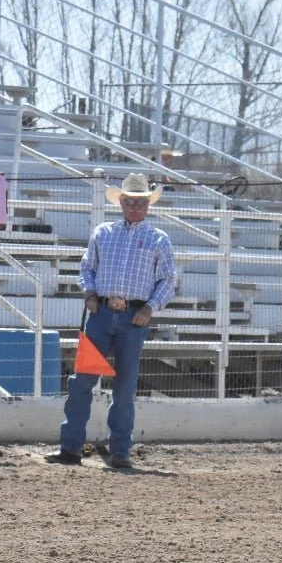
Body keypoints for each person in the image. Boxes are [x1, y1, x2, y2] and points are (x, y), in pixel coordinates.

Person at [46, 172, 176, 470]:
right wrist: (90, 294)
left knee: (125, 386)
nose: (135, 207)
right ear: (121, 202)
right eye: (130, 202)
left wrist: (150, 307)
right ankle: (71, 448)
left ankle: (120, 451)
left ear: (148, 205)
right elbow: (87, 268)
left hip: (134, 317)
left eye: (140, 202)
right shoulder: (102, 233)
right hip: (101, 314)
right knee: (82, 381)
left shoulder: (159, 239)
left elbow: (168, 280)